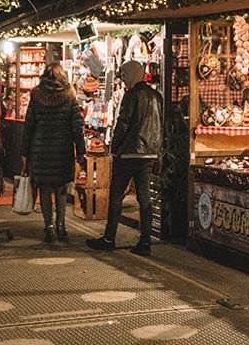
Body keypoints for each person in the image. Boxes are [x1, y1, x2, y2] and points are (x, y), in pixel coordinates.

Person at [86, 60, 162, 256]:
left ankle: (109, 238)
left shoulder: (132, 95)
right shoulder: (156, 95)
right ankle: (145, 240)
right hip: (149, 153)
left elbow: (124, 123)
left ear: (131, 74)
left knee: (117, 195)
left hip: (129, 152)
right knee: (144, 197)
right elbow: (161, 125)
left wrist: (114, 147)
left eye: (124, 75)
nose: (123, 79)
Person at [21, 63, 85, 243]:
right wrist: (80, 151)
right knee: (61, 189)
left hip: (40, 149)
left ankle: (48, 226)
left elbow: (29, 125)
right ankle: (61, 225)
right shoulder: (69, 95)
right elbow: (76, 127)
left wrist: (24, 152)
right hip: (62, 149)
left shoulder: (36, 95)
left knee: (45, 188)